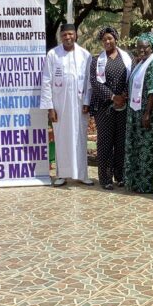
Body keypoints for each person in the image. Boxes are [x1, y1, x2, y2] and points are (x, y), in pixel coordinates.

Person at [40, 24, 94, 187]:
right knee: (61, 138)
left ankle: (82, 174)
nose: (68, 37)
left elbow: (89, 82)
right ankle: (61, 174)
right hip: (59, 105)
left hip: (79, 105)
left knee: (80, 138)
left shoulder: (85, 55)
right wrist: (50, 108)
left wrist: (86, 102)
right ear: (61, 37)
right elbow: (46, 80)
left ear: (76, 35)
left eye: (70, 34)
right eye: (64, 35)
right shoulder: (52, 55)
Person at [89, 27, 131, 190]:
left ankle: (120, 176)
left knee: (121, 142)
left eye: (110, 38)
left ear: (116, 39)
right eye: (104, 40)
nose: (107, 42)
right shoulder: (95, 60)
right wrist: (113, 97)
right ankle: (105, 178)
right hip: (104, 107)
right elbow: (95, 82)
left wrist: (124, 95)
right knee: (105, 142)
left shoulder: (128, 58)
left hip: (123, 105)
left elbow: (133, 77)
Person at [123, 33, 153, 194]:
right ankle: (137, 182)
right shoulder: (140, 63)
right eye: (139, 46)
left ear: (151, 47)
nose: (141, 49)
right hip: (135, 111)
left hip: (149, 114)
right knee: (138, 147)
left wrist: (147, 113)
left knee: (148, 149)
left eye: (145, 47)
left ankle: (148, 184)